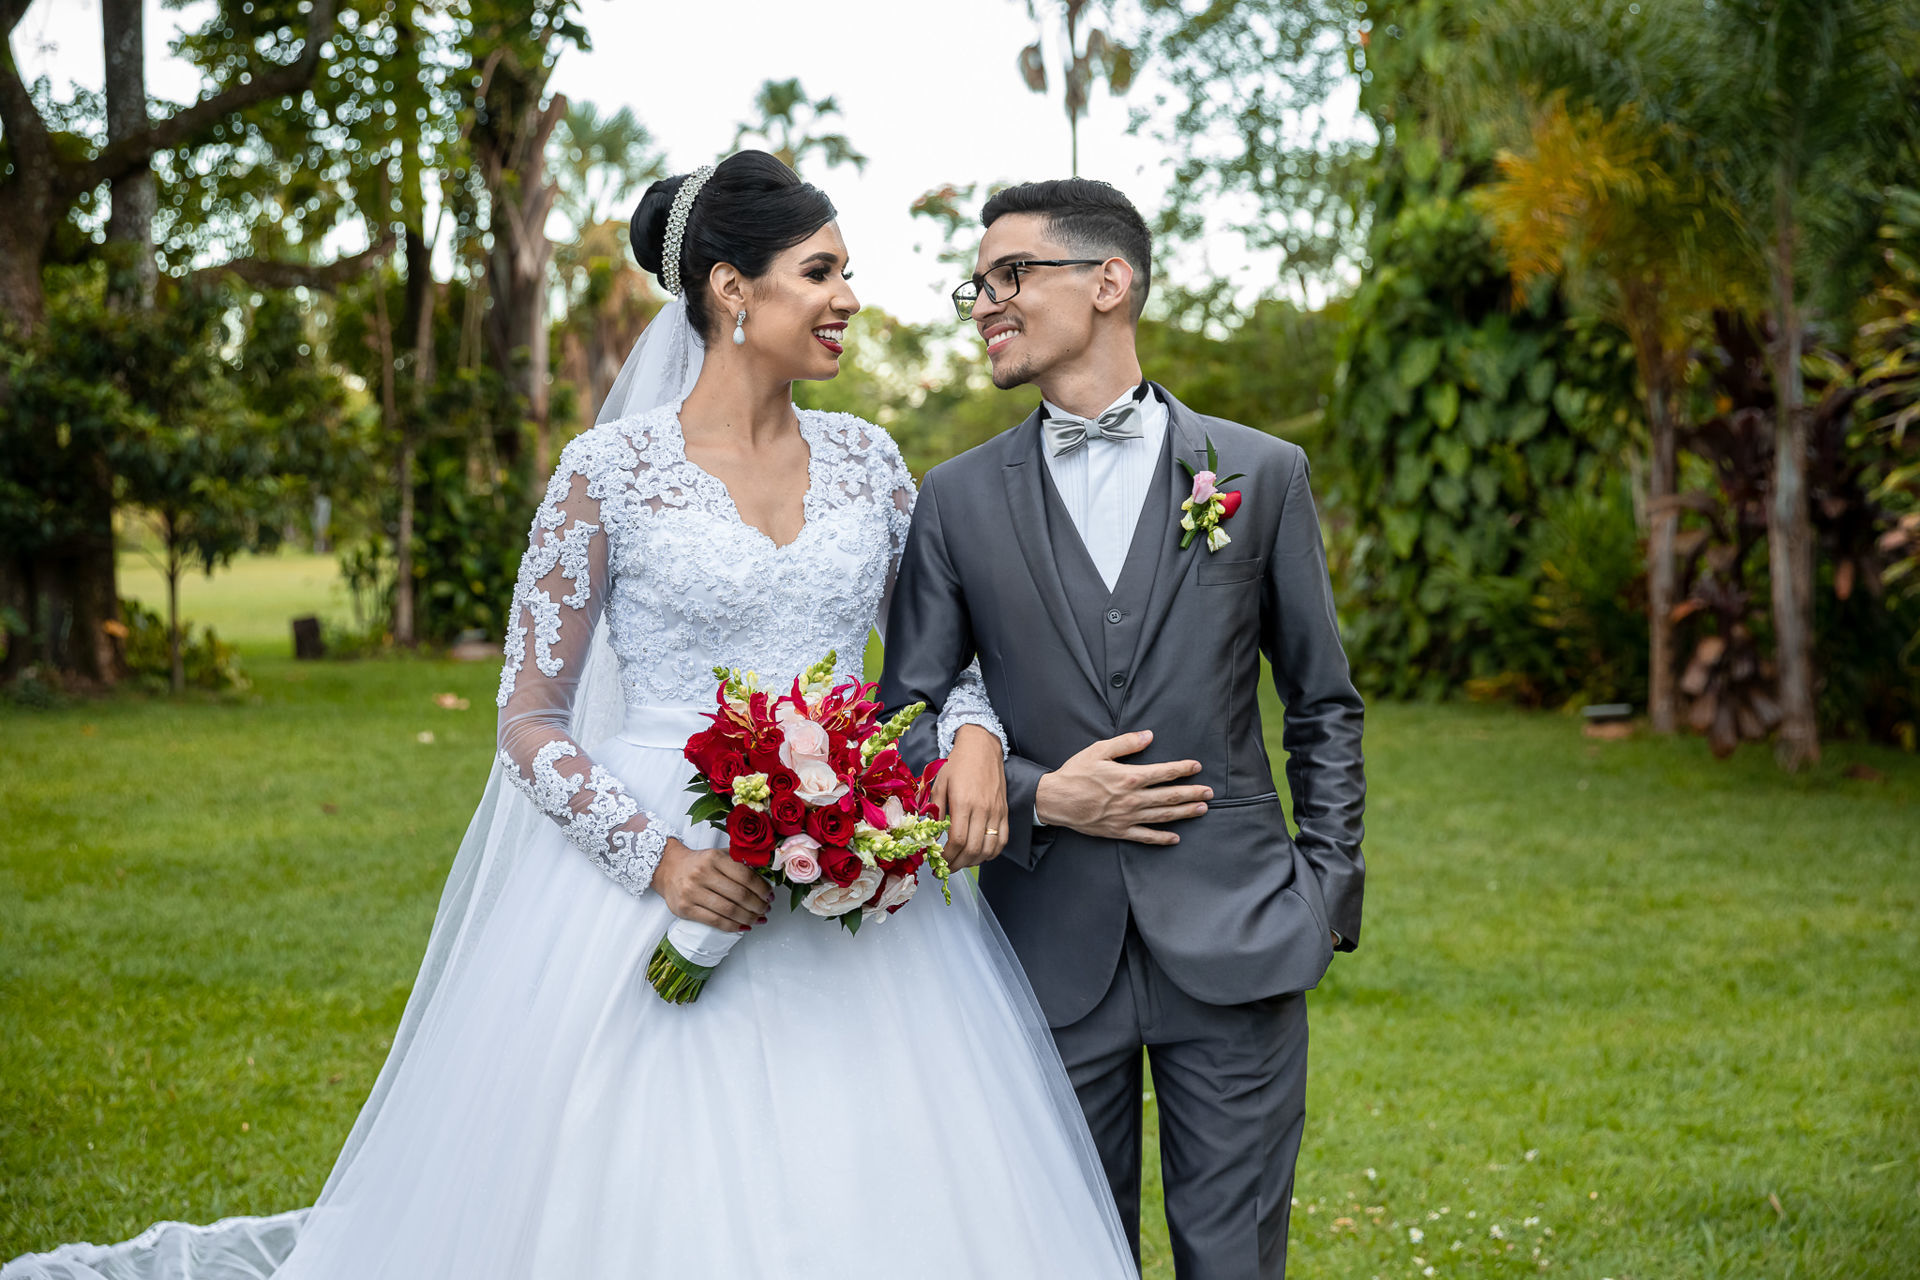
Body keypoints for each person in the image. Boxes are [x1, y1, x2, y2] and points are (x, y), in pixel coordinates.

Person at [3, 152, 1136, 1280]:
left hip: (863, 884)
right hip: (655, 863)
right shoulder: (610, 472)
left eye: (847, 272)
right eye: (821, 270)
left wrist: (976, 736)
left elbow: (939, 663)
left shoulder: (871, 461)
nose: (849, 297)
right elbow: (531, 717)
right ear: (732, 289)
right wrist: (663, 862)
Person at [880, 177, 1368, 1280]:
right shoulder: (954, 499)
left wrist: (1326, 886)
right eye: (979, 283)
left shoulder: (1259, 473)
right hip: (1043, 941)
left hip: (1239, 928)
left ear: (1111, 281)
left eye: (1012, 275)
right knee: (1066, 1253)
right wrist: (1041, 788)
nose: (985, 302)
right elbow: (900, 717)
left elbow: (1322, 699)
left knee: (1234, 1254)